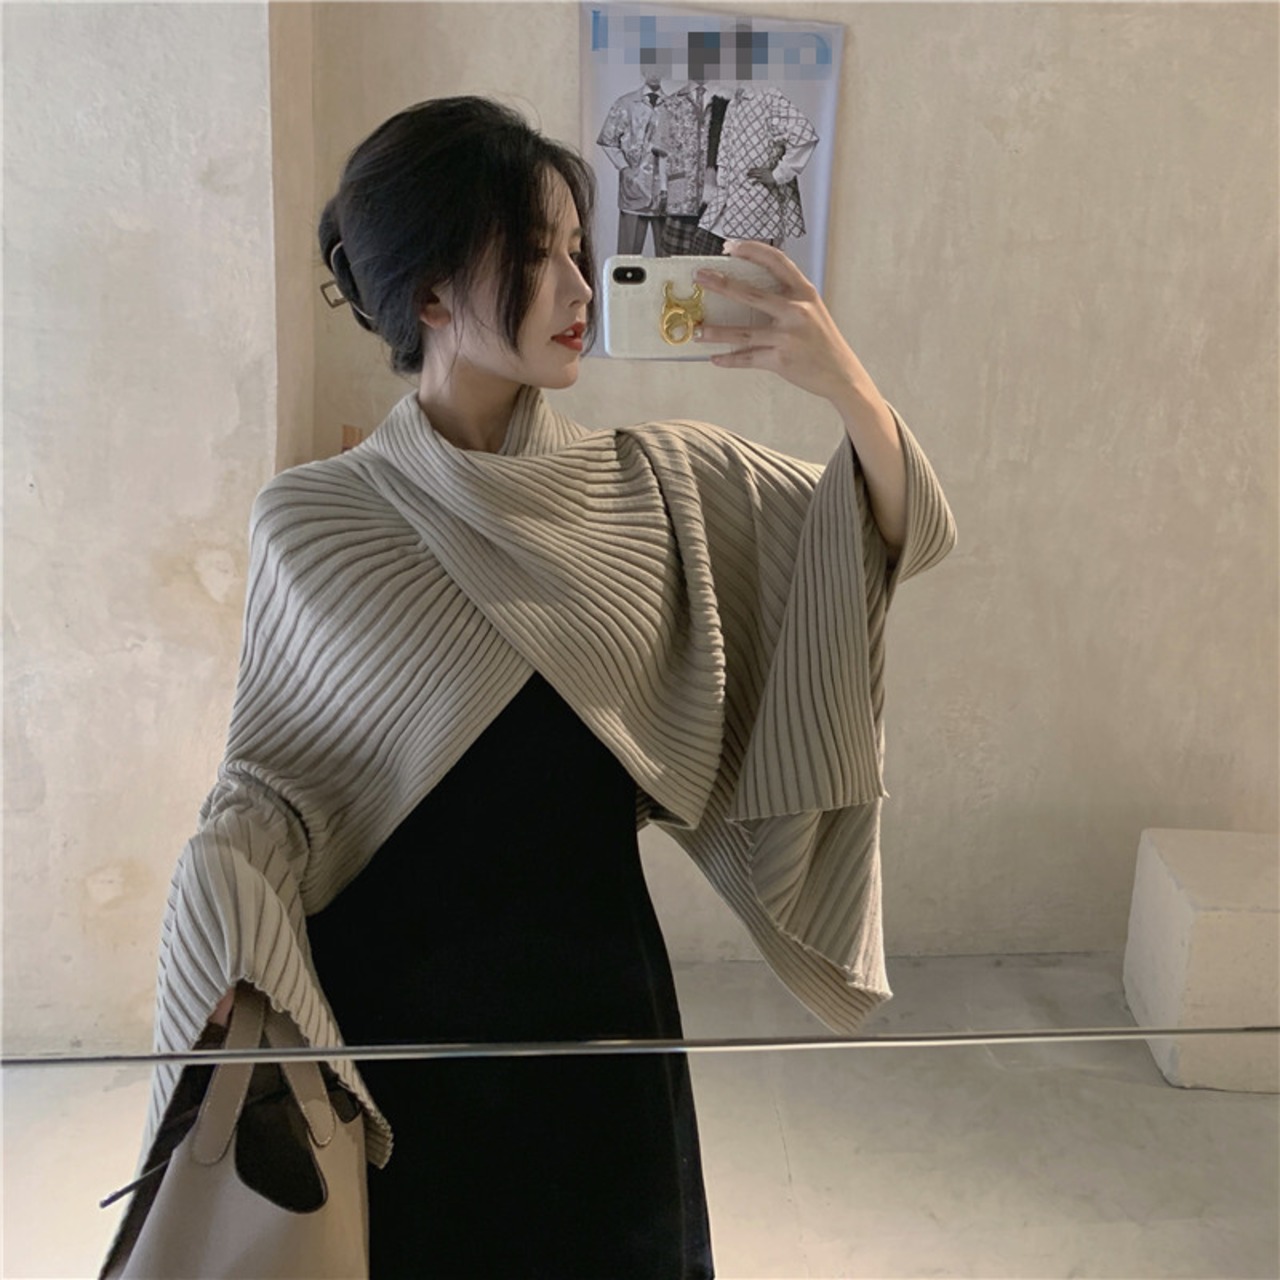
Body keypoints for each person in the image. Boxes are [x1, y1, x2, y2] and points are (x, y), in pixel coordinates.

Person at [133, 94, 957, 1279]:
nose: (580, 286)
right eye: (535, 254)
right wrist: (218, 914)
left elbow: (879, 531)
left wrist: (842, 384)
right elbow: (269, 786)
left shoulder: (652, 487)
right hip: (393, 1031)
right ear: (428, 293)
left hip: (599, 1012)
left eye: (578, 247)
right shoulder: (313, 520)